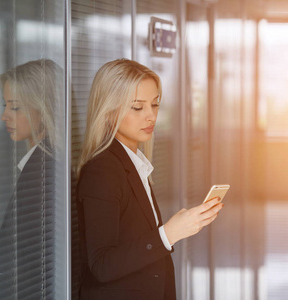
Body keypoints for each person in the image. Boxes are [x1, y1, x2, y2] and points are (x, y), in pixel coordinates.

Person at [76, 58, 224, 300]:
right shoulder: (101, 171)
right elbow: (102, 265)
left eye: (155, 105)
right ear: (108, 109)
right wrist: (168, 234)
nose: (151, 116)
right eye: (137, 107)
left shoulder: (133, 163)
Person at [0, 59, 62, 299]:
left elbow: (14, 257)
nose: (4, 116)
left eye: (14, 107)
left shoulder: (44, 170)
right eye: (5, 105)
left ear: (43, 108)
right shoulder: (44, 161)